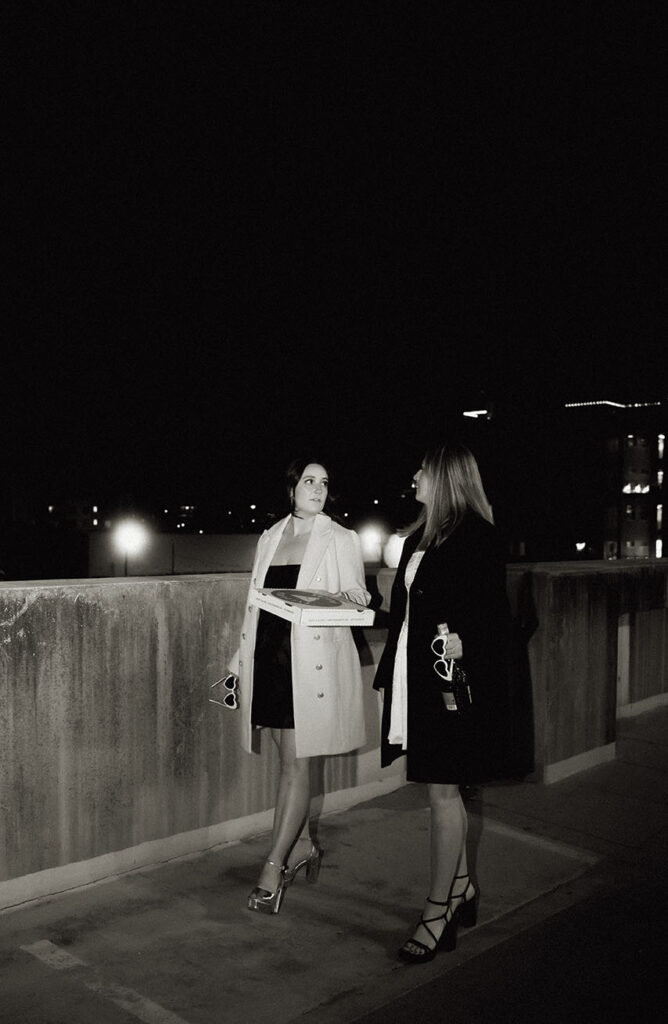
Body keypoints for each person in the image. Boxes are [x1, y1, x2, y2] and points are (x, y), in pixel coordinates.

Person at [373, 442, 512, 963]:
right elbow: (407, 613)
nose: (415, 475)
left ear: (446, 478)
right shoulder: (420, 537)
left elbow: (494, 616)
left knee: (442, 792)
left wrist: (465, 641)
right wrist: (357, 607)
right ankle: (462, 890)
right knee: (441, 788)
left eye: (424, 470)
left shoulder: (478, 536)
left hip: (451, 683)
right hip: (417, 678)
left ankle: (438, 912)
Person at [228, 458, 370, 915]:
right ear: (291, 488)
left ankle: (273, 868)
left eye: (324, 482)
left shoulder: (340, 537)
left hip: (308, 667)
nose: (318, 489)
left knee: (296, 766)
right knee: (284, 760)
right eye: (309, 481)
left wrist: (342, 598)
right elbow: (253, 605)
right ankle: (304, 844)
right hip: (268, 661)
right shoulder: (270, 536)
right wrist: (238, 663)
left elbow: (359, 596)